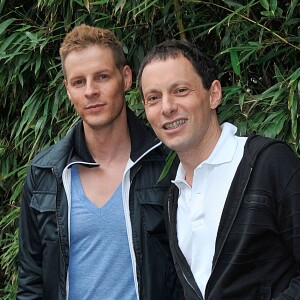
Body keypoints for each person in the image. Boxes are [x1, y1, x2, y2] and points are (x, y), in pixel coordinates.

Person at [17, 25, 183, 300]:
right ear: (68, 90)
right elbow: (31, 282)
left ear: (126, 77)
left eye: (102, 76)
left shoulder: (167, 165)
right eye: (79, 82)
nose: (91, 91)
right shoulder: (44, 174)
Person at [137, 39, 300, 299]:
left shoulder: (269, 164)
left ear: (213, 94)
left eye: (180, 90)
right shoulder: (173, 196)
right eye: (153, 98)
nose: (166, 107)